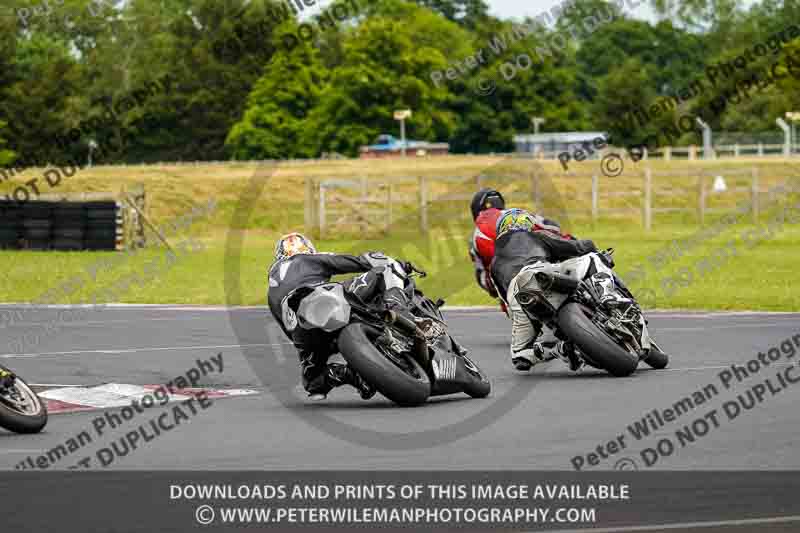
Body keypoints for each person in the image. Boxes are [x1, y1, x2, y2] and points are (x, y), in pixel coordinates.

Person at [267, 232, 410, 401]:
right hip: (327, 299)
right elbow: (355, 262)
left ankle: (348, 375)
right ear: (308, 248)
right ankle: (400, 313)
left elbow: (288, 330)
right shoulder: (309, 259)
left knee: (313, 383)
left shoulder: (271, 288)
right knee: (386, 269)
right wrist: (378, 259)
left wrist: (306, 347)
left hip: (303, 330)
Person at [490, 209, 601, 373]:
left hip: (518, 297)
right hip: (540, 273)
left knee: (520, 356)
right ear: (527, 223)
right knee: (592, 260)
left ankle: (559, 349)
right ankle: (607, 297)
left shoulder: (493, 263)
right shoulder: (536, 236)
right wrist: (589, 245)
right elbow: (576, 248)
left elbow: (505, 301)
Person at [468, 188, 566, 313]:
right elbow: (551, 226)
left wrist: (496, 290)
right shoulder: (514, 214)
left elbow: (483, 279)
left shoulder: (475, 238)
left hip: (513, 282)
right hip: (539, 259)